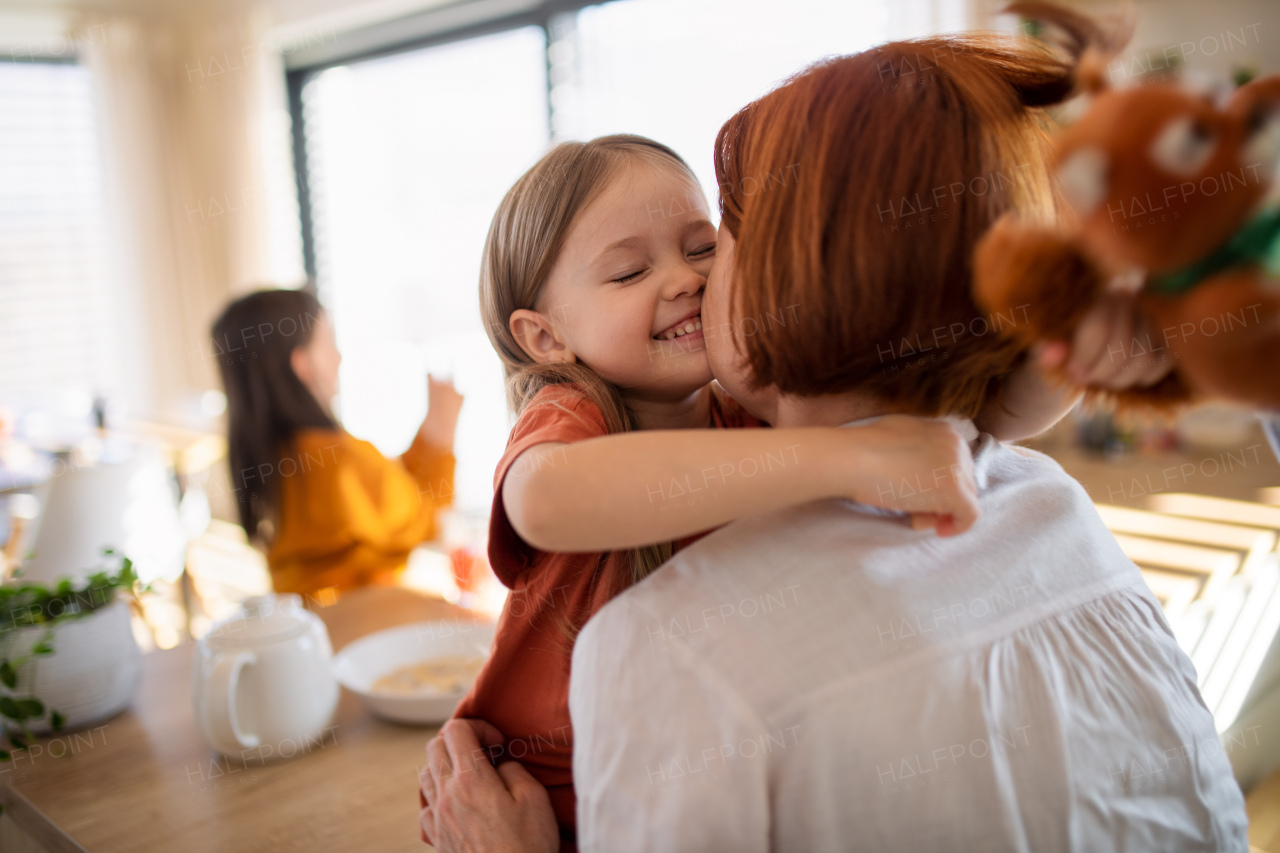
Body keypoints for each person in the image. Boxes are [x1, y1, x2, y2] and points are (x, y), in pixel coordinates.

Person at [420, 28, 1249, 853]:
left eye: (711, 244)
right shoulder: (583, 418)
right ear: (544, 335)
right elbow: (546, 497)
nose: (688, 281)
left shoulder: (691, 611)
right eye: (630, 271)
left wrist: (1071, 317)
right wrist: (858, 454)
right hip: (534, 771)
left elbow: (973, 410)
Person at [211, 289, 462, 598]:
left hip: (314, 629)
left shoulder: (267, 458)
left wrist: (428, 435)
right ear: (302, 363)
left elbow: (388, 488)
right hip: (368, 630)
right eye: (328, 341)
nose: (339, 356)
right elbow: (428, 520)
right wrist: (442, 435)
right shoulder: (341, 460)